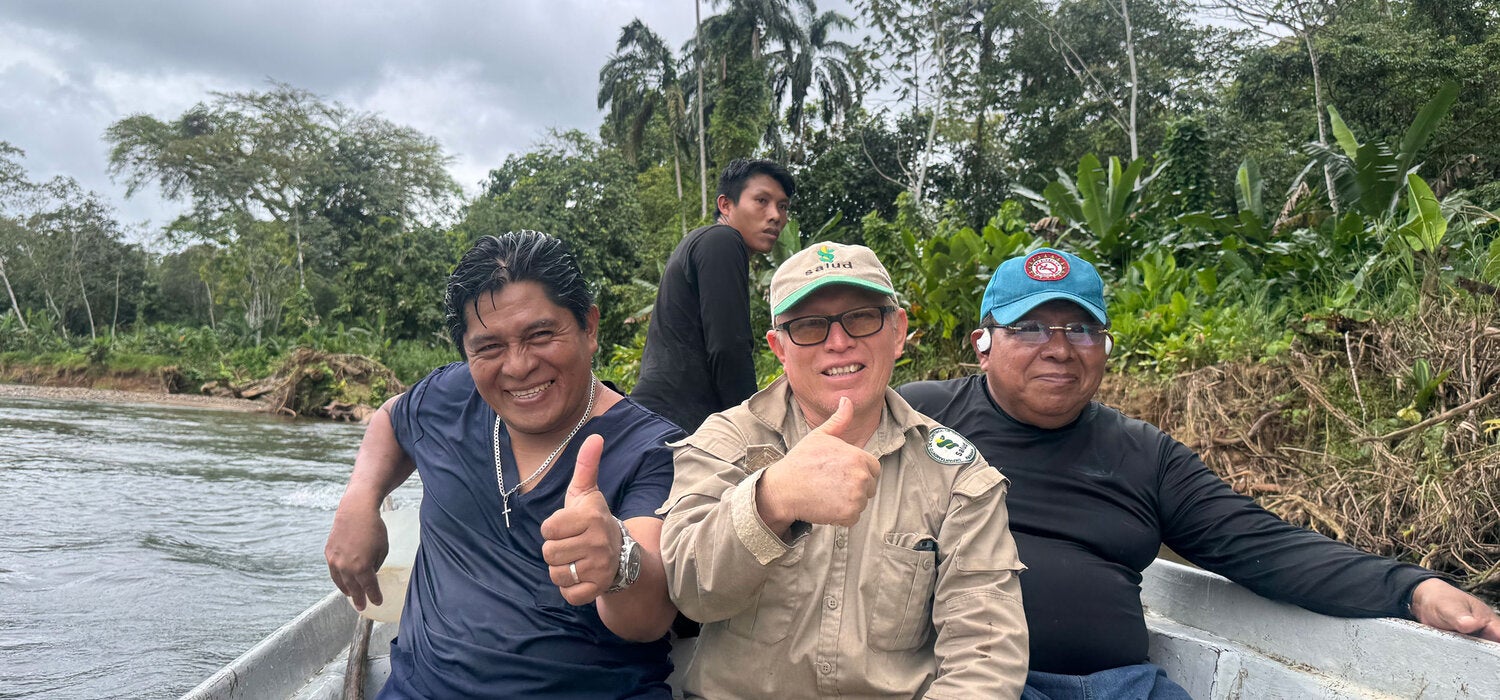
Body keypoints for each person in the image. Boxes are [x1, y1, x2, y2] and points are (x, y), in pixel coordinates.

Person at [899, 247, 1500, 698]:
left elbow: (1261, 545)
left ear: (1104, 347)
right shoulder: (918, 416)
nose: (1058, 348)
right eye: (1029, 328)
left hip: (1122, 685)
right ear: (983, 344)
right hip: (970, 682)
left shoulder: (1143, 452)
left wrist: (1412, 589)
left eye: (1081, 329)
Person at [659, 242, 1029, 698]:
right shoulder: (727, 442)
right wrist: (771, 500)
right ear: (779, 348)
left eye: (862, 317)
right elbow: (690, 592)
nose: (838, 342)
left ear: (898, 331)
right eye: (809, 325)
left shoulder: (955, 475)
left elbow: (985, 652)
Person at [324, 231, 683, 699]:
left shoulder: (654, 449)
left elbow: (649, 618)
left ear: (589, 328)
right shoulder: (451, 396)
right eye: (489, 347)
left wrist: (617, 563)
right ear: (466, 352)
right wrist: (360, 499)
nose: (517, 366)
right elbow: (391, 418)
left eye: (541, 335)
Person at [632, 158, 795, 434]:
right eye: (762, 201)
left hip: (660, 419)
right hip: (675, 423)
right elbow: (729, 347)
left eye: (783, 206)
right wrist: (752, 429)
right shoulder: (722, 240)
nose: (775, 215)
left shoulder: (705, 242)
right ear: (725, 205)